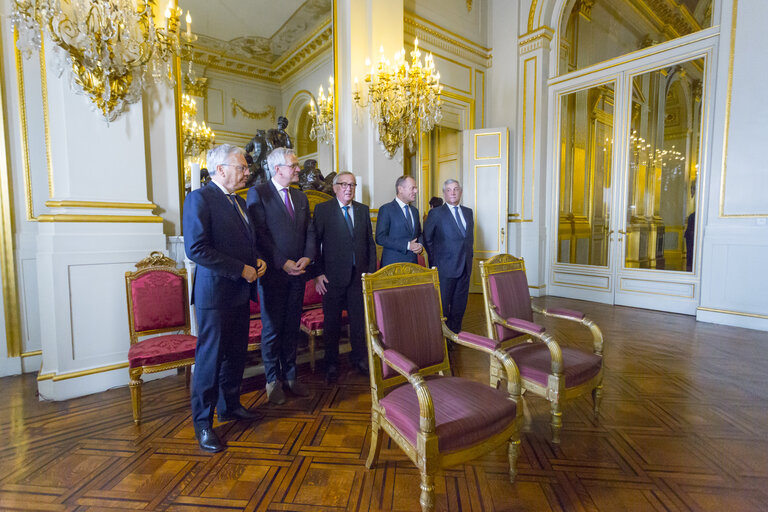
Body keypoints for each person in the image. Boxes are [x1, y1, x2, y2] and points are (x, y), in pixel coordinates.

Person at [183, 144, 267, 453]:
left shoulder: (240, 203)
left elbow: (245, 243)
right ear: (221, 170)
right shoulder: (199, 198)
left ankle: (230, 405)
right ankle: (203, 424)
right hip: (215, 294)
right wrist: (240, 269)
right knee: (210, 360)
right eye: (242, 167)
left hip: (240, 291)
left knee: (235, 354)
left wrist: (257, 261)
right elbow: (197, 249)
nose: (247, 172)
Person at [246, 147, 314, 405]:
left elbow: (309, 230)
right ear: (278, 169)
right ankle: (272, 381)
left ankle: (292, 377)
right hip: (273, 275)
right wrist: (282, 263)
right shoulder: (259, 193)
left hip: (298, 273)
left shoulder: (301, 197)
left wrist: (307, 257)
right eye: (294, 165)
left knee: (291, 329)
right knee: (273, 330)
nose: (298, 169)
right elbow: (259, 235)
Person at [311, 172, 377, 383]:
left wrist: (370, 273)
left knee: (359, 323)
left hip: (359, 278)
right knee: (332, 323)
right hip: (332, 279)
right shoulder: (323, 210)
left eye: (352, 185)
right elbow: (314, 245)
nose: (349, 188)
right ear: (335, 187)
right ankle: (330, 363)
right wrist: (317, 273)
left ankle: (359, 359)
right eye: (344, 184)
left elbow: (370, 244)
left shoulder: (362, 210)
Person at [423, 179, 474, 335]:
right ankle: (442, 337)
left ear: (461, 192)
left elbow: (468, 239)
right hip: (444, 268)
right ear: (444, 193)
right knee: (443, 306)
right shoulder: (436, 214)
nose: (452, 192)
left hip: (465, 266)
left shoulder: (468, 212)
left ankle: (455, 335)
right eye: (449, 190)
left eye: (456, 189)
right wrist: (435, 262)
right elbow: (427, 239)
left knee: (459, 305)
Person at [375, 175, 423, 266]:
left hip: (413, 265)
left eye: (415, 188)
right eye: (412, 188)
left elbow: (419, 234)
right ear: (400, 189)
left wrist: (420, 245)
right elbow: (380, 238)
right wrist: (407, 245)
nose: (416, 191)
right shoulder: (386, 209)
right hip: (392, 266)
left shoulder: (414, 211)